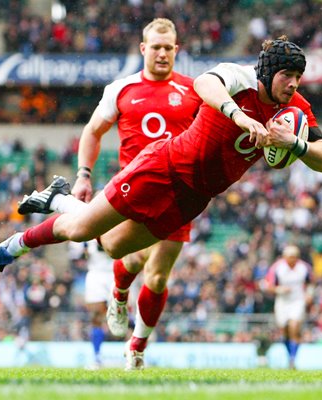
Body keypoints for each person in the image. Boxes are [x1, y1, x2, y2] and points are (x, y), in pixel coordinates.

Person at [0, 34, 322, 357]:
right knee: (82, 230)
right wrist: (240, 118)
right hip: (162, 167)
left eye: (298, 77)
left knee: (116, 247)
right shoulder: (240, 77)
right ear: (269, 71)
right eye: (287, 75)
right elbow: (206, 84)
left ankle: (59, 200)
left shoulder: (295, 109)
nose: (293, 84)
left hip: (193, 198)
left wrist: (297, 144)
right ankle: (15, 246)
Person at [25, 18, 202, 370]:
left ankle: (136, 348)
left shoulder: (196, 90)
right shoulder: (121, 89)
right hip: (134, 190)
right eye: (156, 47)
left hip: (179, 195)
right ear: (143, 49)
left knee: (158, 274)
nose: (162, 53)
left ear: (177, 50)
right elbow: (92, 131)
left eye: (169, 48)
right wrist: (84, 175)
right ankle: (119, 294)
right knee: (131, 258)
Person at [263, 245, 312, 369]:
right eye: (290, 257)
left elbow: (311, 282)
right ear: (285, 257)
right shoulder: (277, 267)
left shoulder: (304, 267)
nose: (293, 260)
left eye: (295, 257)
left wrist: (309, 294)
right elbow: (268, 286)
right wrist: (279, 289)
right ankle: (289, 355)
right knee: (284, 330)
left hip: (297, 300)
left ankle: (293, 359)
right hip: (282, 302)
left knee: (294, 327)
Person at [69, 240, 114, 370]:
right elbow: (76, 257)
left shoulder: (118, 223)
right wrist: (82, 251)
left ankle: (137, 348)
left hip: (116, 272)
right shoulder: (88, 232)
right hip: (96, 273)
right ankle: (97, 356)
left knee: (124, 315)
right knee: (95, 316)